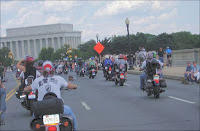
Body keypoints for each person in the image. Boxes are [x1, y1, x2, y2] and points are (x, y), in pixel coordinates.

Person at [24, 61, 78, 130]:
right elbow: (70, 86)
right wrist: (75, 86)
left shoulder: (37, 80)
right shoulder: (58, 79)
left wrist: (25, 89)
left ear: (43, 70)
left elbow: (27, 89)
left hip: (41, 109)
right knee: (70, 112)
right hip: (57, 108)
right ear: (52, 69)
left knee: (33, 120)